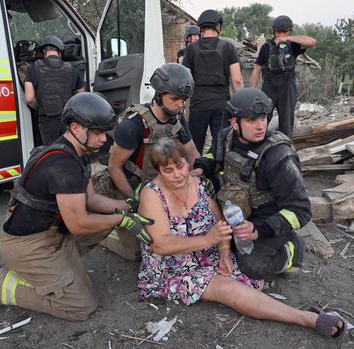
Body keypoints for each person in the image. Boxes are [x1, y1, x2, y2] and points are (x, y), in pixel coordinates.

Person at [137, 138, 346, 339]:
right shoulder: (152, 194)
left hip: (206, 254)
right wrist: (207, 240)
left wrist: (224, 253)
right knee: (228, 289)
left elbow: (220, 224)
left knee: (254, 281)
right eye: (168, 170)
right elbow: (160, 245)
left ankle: (290, 251)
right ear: (158, 171)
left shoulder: (198, 183)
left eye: (180, 166)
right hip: (172, 266)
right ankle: (307, 318)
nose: (177, 175)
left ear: (187, 162)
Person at [0, 93, 153, 321]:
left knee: (110, 216)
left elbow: (92, 201)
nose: (103, 139)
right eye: (97, 132)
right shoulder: (62, 164)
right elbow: (78, 224)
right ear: (76, 128)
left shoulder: (78, 153)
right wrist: (121, 219)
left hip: (54, 234)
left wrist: (129, 205)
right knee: (81, 306)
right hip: (30, 246)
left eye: (104, 132)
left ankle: (58, 270)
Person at [192, 88, 311, 281]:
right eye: (251, 120)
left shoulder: (279, 155)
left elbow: (301, 210)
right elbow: (213, 155)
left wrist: (259, 230)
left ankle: (292, 250)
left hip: (267, 220)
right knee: (208, 246)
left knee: (252, 267)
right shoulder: (225, 137)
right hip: (234, 210)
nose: (260, 126)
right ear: (234, 123)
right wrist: (201, 168)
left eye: (263, 118)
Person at [109, 63, 199, 198]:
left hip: (169, 185)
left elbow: (192, 155)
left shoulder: (177, 120)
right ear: (158, 96)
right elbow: (114, 167)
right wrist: (135, 201)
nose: (180, 105)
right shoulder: (133, 125)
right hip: (139, 187)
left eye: (184, 99)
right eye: (174, 99)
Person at [182, 9, 244, 154]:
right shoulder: (228, 47)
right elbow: (237, 80)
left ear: (201, 27)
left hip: (198, 104)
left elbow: (185, 79)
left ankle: (196, 174)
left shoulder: (191, 49)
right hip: (221, 105)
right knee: (221, 145)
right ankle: (219, 175)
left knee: (195, 147)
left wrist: (183, 105)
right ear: (218, 26)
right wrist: (241, 107)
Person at [249, 15, 316, 138]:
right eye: (278, 32)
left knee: (286, 124)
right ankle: (258, 149)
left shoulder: (294, 46)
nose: (281, 34)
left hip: (287, 88)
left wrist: (287, 39)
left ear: (289, 31)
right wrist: (252, 93)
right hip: (269, 87)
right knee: (261, 119)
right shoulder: (266, 47)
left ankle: (285, 150)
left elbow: (312, 42)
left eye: (284, 31)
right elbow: (256, 70)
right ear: (273, 31)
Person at [25, 35, 85, 145]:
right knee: (68, 149)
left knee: (50, 152)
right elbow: (81, 97)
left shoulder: (32, 68)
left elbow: (29, 99)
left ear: (44, 51)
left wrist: (39, 107)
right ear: (60, 52)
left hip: (46, 121)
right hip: (67, 120)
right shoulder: (72, 69)